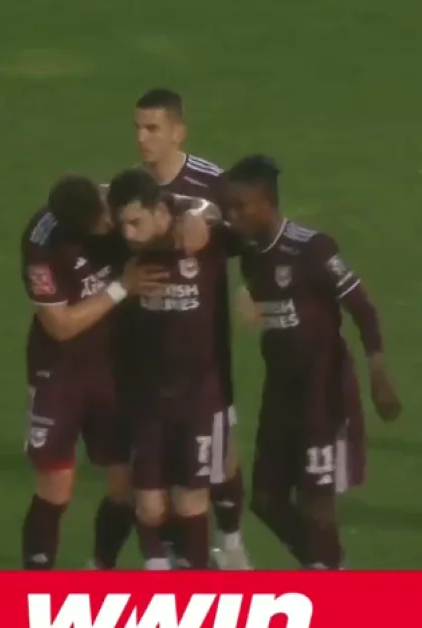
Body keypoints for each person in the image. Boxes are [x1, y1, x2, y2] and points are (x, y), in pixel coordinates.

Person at [222, 155, 401, 569]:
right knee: (265, 499)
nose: (233, 216)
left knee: (316, 500)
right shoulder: (250, 252)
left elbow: (362, 307)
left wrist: (377, 371)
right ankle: (329, 568)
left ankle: (326, 573)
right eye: (230, 208)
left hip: (324, 391)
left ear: (266, 202)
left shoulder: (312, 249)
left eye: (241, 207)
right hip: (280, 393)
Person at [129, 87, 251, 569]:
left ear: (178, 132)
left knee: (222, 456)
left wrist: (252, 287)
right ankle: (178, 558)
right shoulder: (133, 189)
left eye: (152, 128)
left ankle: (231, 539)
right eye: (137, 128)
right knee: (166, 481)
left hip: (206, 351)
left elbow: (250, 235)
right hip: (149, 353)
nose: (142, 138)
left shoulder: (212, 183)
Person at [20, 175, 167, 570]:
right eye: (99, 226)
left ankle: (100, 568)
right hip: (59, 370)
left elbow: (169, 208)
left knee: (124, 482)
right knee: (56, 486)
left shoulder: (118, 199)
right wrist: (122, 287)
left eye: (108, 217)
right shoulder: (42, 244)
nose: (110, 227)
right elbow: (60, 326)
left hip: (115, 365)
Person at [106, 167, 241, 570]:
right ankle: (158, 565)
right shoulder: (124, 252)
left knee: (191, 501)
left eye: (136, 222)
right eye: (123, 224)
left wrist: (201, 214)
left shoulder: (202, 237)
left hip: (201, 397)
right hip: (147, 398)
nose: (128, 233)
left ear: (160, 211)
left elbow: (238, 218)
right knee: (149, 506)